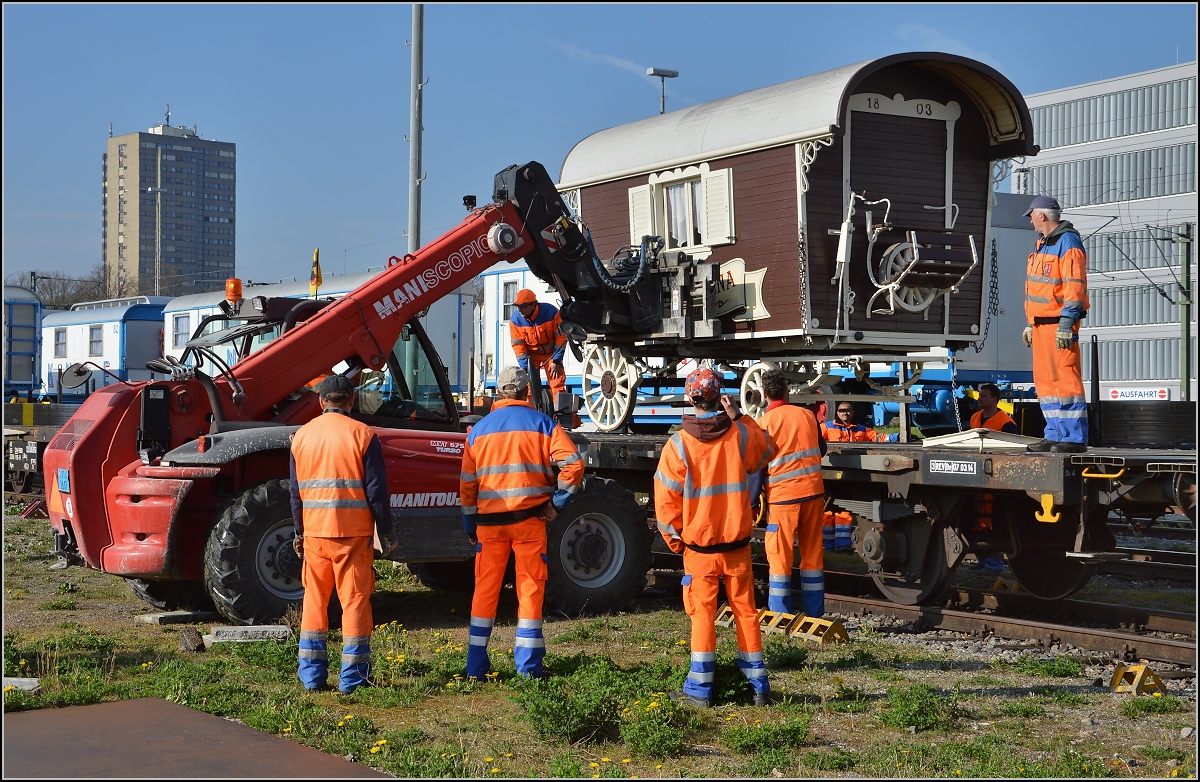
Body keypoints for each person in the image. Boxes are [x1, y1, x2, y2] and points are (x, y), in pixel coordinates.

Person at [654, 367, 775, 708]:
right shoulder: (738, 435)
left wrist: (678, 543)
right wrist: (742, 417)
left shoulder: (677, 446)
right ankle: (758, 685)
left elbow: (665, 506)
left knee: (702, 615)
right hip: (736, 548)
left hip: (700, 550)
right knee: (746, 612)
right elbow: (768, 451)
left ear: (690, 398)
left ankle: (700, 689)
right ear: (720, 398)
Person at [460, 365, 584, 681]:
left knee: (484, 590)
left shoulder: (478, 430)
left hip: (489, 525)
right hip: (530, 522)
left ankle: (475, 666)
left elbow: (467, 483)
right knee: (529, 590)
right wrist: (556, 505)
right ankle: (528, 668)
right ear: (527, 391)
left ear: (498, 392)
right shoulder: (543, 424)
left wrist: (469, 524)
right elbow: (574, 465)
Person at [290, 375, 399, 694]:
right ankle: (353, 678)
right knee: (354, 603)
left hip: (315, 536)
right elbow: (377, 493)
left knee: (314, 601)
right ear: (351, 401)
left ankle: (311, 677)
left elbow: (295, 495)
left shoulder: (301, 437)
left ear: (321, 402)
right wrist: (387, 532)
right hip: (352, 536)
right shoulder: (364, 436)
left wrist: (301, 532)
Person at [750, 368, 828, 617]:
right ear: (786, 391)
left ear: (764, 394)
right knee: (813, 554)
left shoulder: (763, 424)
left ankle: (781, 615)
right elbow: (821, 449)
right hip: (814, 493)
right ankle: (815, 614)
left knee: (780, 556)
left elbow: (757, 468)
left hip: (784, 499)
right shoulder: (807, 415)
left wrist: (751, 502)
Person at [1021, 195, 1090, 453]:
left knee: (1065, 379)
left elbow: (1075, 287)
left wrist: (1067, 322)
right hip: (1041, 324)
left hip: (1059, 323)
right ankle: (1055, 433)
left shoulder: (1067, 242)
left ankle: (1073, 438)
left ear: (1042, 215)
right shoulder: (1043, 243)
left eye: (1031, 215)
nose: (1029, 220)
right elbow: (1037, 290)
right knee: (1046, 382)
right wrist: (1031, 322)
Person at [967, 383, 1017, 573]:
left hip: (995, 476)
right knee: (977, 520)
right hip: (977, 475)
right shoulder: (975, 418)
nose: (979, 398)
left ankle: (994, 564)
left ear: (995, 399)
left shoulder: (1006, 423)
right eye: (980, 395)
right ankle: (983, 558)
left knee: (994, 520)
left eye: (984, 396)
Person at [509, 289, 569, 410]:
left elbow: (561, 337)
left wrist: (556, 361)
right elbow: (518, 346)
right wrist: (526, 368)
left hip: (551, 354)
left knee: (557, 383)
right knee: (530, 388)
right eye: (518, 306)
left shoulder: (551, 313)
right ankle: (533, 412)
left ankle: (561, 416)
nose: (520, 309)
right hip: (531, 356)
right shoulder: (515, 320)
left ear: (533, 305)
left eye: (523, 306)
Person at [823, 402, 899, 443]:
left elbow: (878, 438)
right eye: (842, 411)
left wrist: (897, 437)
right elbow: (814, 440)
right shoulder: (827, 427)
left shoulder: (862, 429)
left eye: (848, 411)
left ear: (852, 413)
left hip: (855, 464)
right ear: (838, 413)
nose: (845, 413)